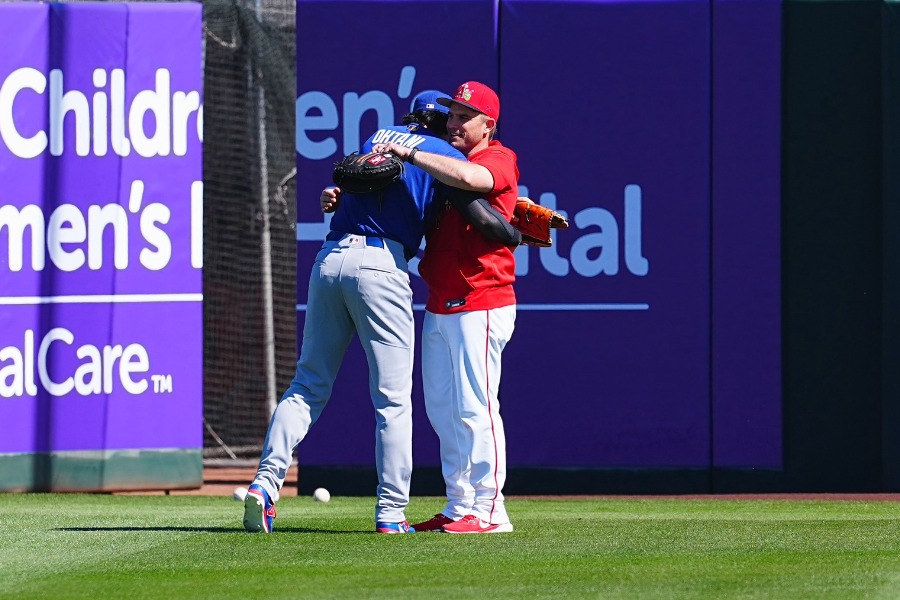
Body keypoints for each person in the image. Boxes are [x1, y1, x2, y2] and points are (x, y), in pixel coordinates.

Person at [242, 91, 466, 534]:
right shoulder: (441, 151)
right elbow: (469, 189)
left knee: (307, 383)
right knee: (393, 401)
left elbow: (348, 190)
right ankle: (390, 513)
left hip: (331, 258)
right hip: (382, 263)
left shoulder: (377, 137)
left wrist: (333, 197)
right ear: (440, 121)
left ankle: (265, 483)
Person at [373, 81, 520, 534]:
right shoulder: (447, 161)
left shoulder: (495, 157)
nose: (454, 123)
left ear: (487, 126)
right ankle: (460, 506)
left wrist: (409, 150)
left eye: (464, 117)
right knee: (442, 409)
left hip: (483, 298)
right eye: (452, 115)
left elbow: (473, 181)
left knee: (476, 407)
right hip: (440, 299)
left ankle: (492, 511)